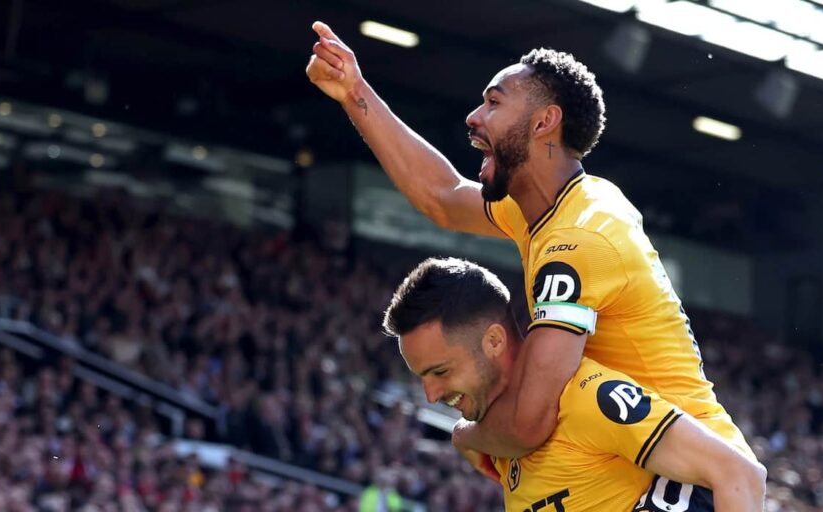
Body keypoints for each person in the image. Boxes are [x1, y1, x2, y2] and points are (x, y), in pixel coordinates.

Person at [306, 18, 756, 488]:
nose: (473, 117)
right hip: (644, 465)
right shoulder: (542, 209)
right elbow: (441, 196)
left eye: (494, 102)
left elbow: (528, 423)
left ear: (544, 122)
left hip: (694, 482)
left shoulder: (580, 237)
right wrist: (353, 93)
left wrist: (467, 436)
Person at [383, 258, 765, 511]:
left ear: (494, 341)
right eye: (422, 377)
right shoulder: (489, 438)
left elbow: (740, 475)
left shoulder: (587, 397)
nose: (430, 395)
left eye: (441, 372)